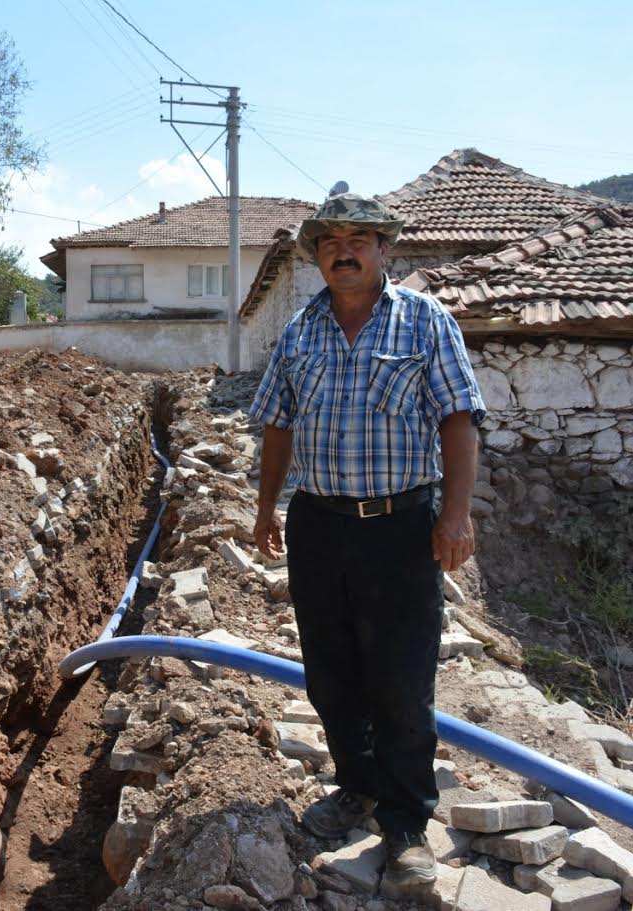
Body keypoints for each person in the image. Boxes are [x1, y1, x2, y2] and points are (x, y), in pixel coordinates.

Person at [249, 191, 485, 885]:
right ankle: (355, 784)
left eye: (358, 238)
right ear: (317, 255)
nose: (343, 250)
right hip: (318, 525)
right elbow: (277, 423)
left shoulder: (425, 323)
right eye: (329, 242)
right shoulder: (300, 330)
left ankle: (408, 820)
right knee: (331, 668)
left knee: (403, 674)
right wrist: (266, 507)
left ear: (385, 248)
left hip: (400, 525)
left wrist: (456, 514)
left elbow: (460, 420)